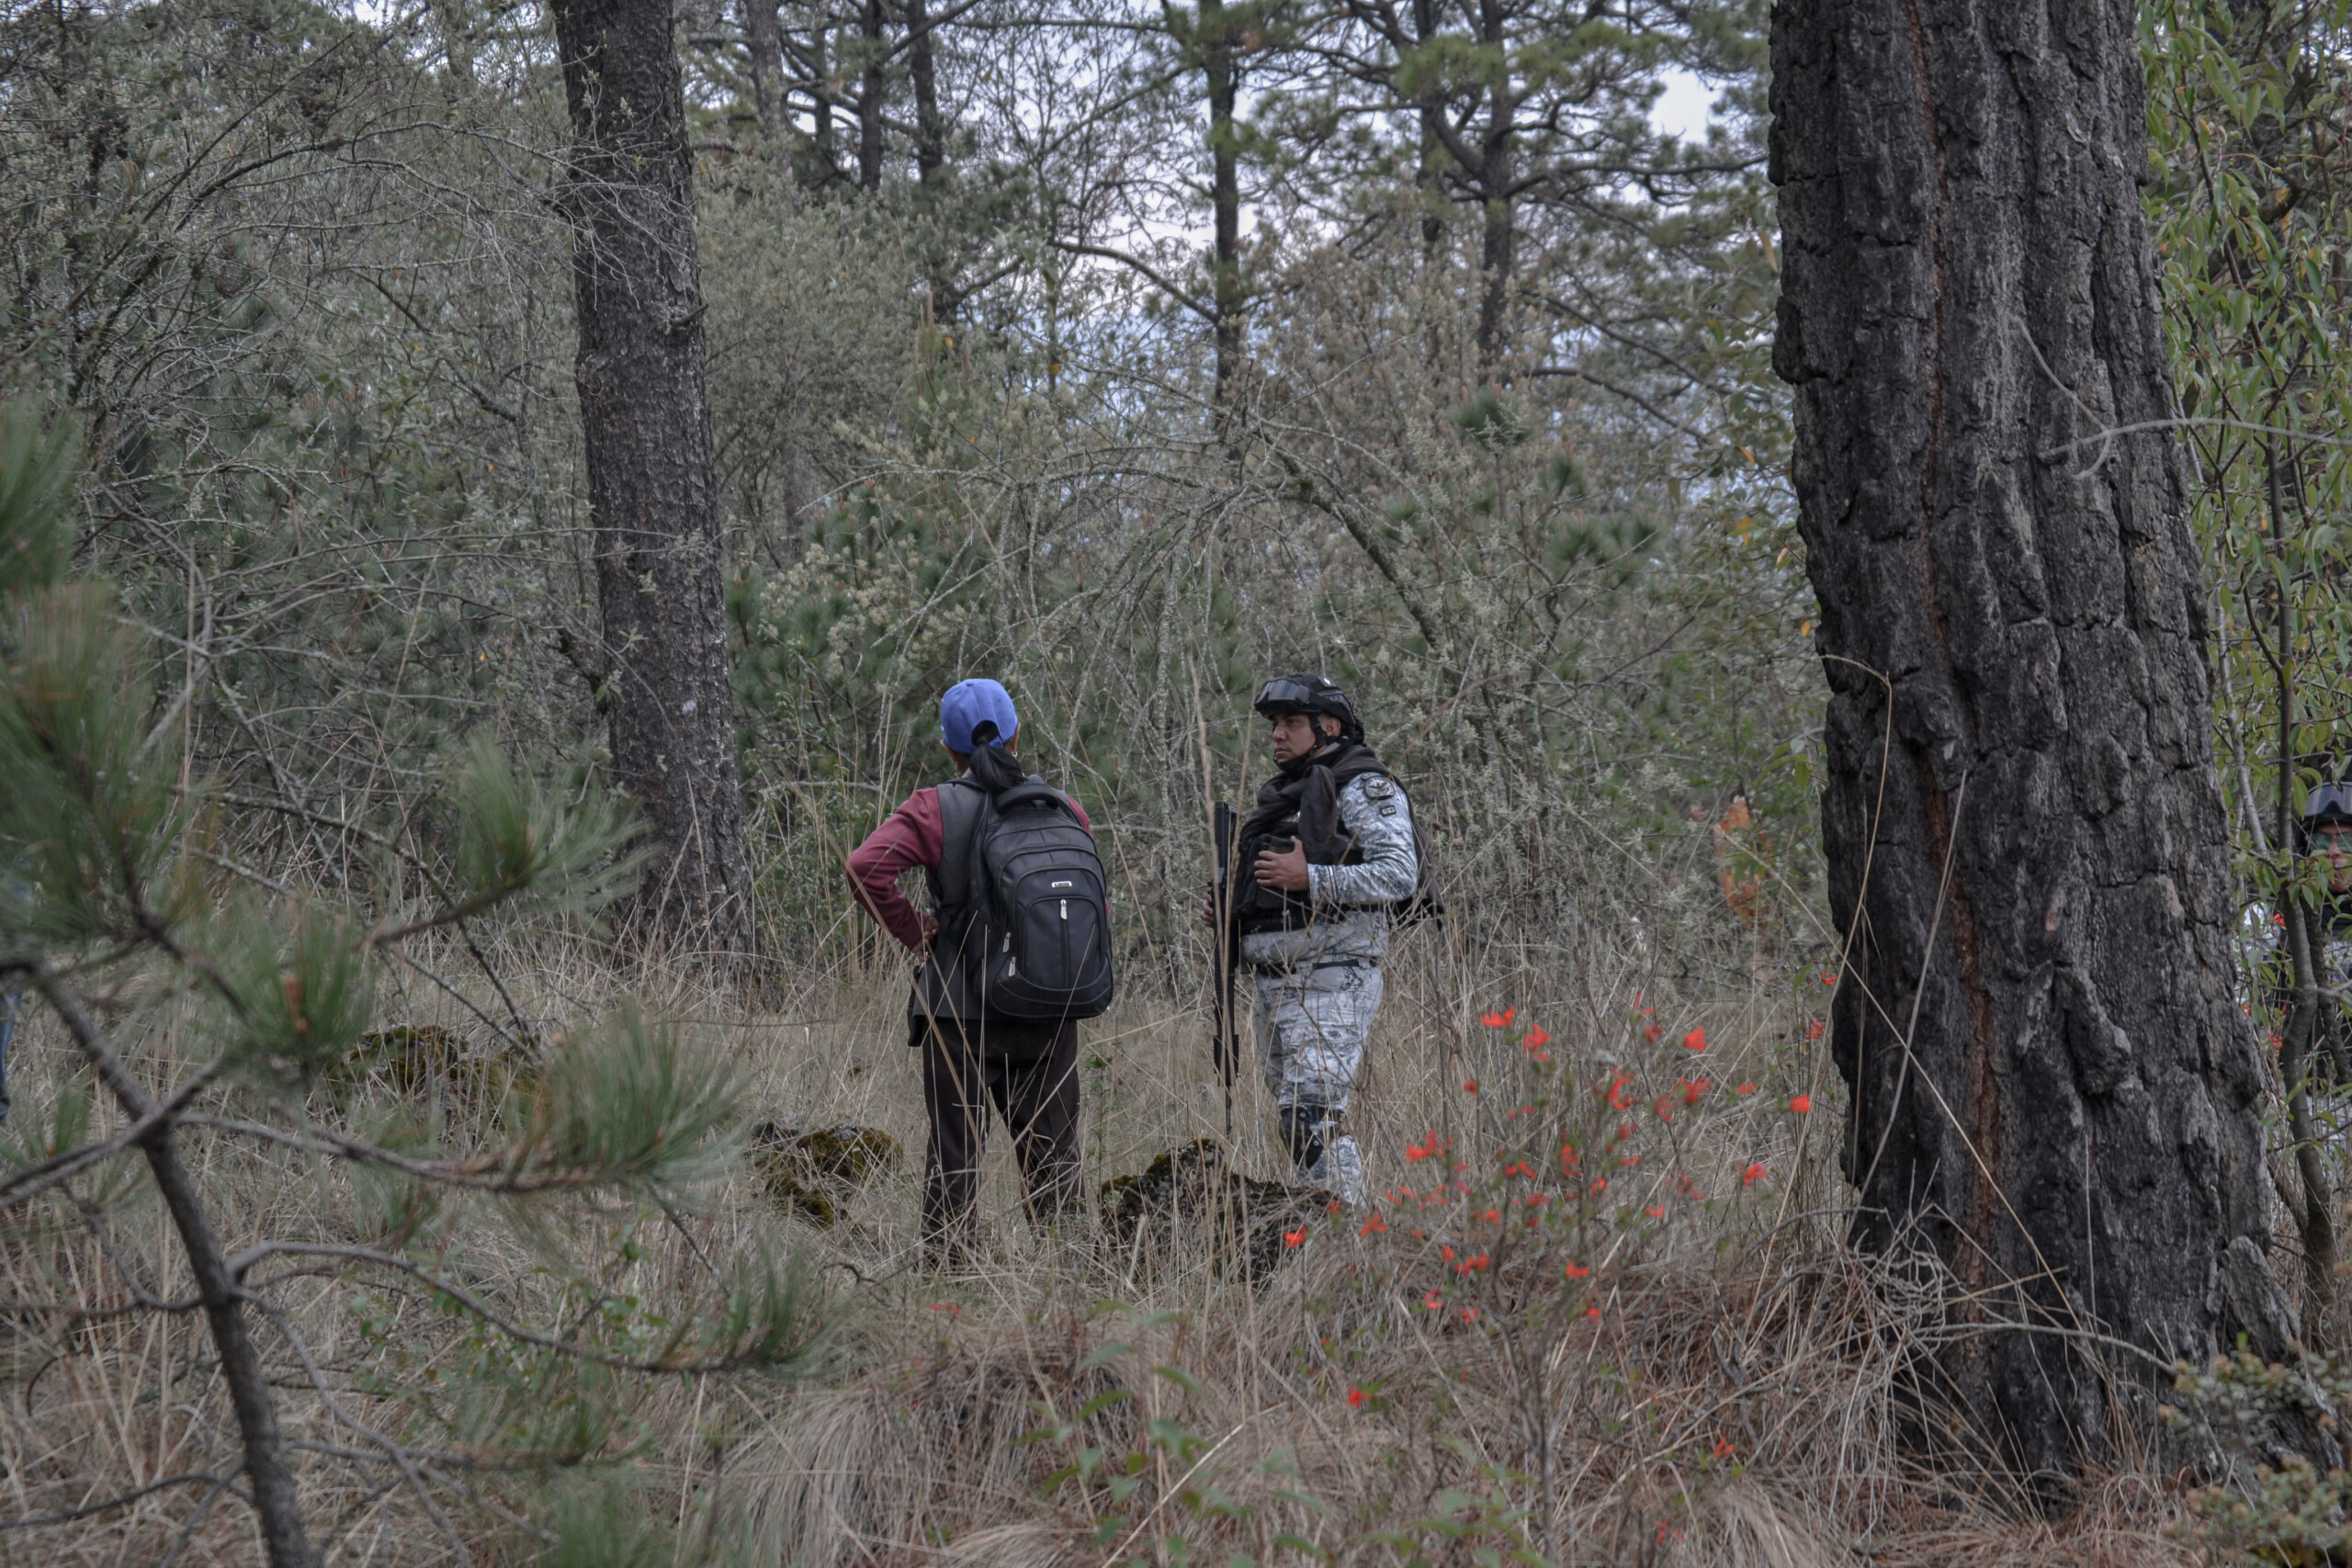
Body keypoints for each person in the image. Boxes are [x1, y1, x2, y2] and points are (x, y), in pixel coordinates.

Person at [846, 678, 1091, 1266]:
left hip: (959, 1014)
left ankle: (948, 1287)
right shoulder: (1062, 807)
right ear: (1015, 735)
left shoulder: (933, 808)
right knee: (1056, 1162)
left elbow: (863, 868)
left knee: (955, 1161)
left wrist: (915, 929)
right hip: (1048, 1011)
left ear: (949, 749)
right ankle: (1075, 1279)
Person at [1216, 674, 1421, 1205]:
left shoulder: (1361, 784)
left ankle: (1351, 1237)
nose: (1277, 735)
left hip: (1333, 975)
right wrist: (1229, 913)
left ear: (1328, 727)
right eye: (1274, 725)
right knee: (1296, 1127)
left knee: (1311, 1120)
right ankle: (1328, 1233)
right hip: (1272, 983)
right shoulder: (1281, 795)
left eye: (1290, 723)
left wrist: (1312, 879)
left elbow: (1400, 874)